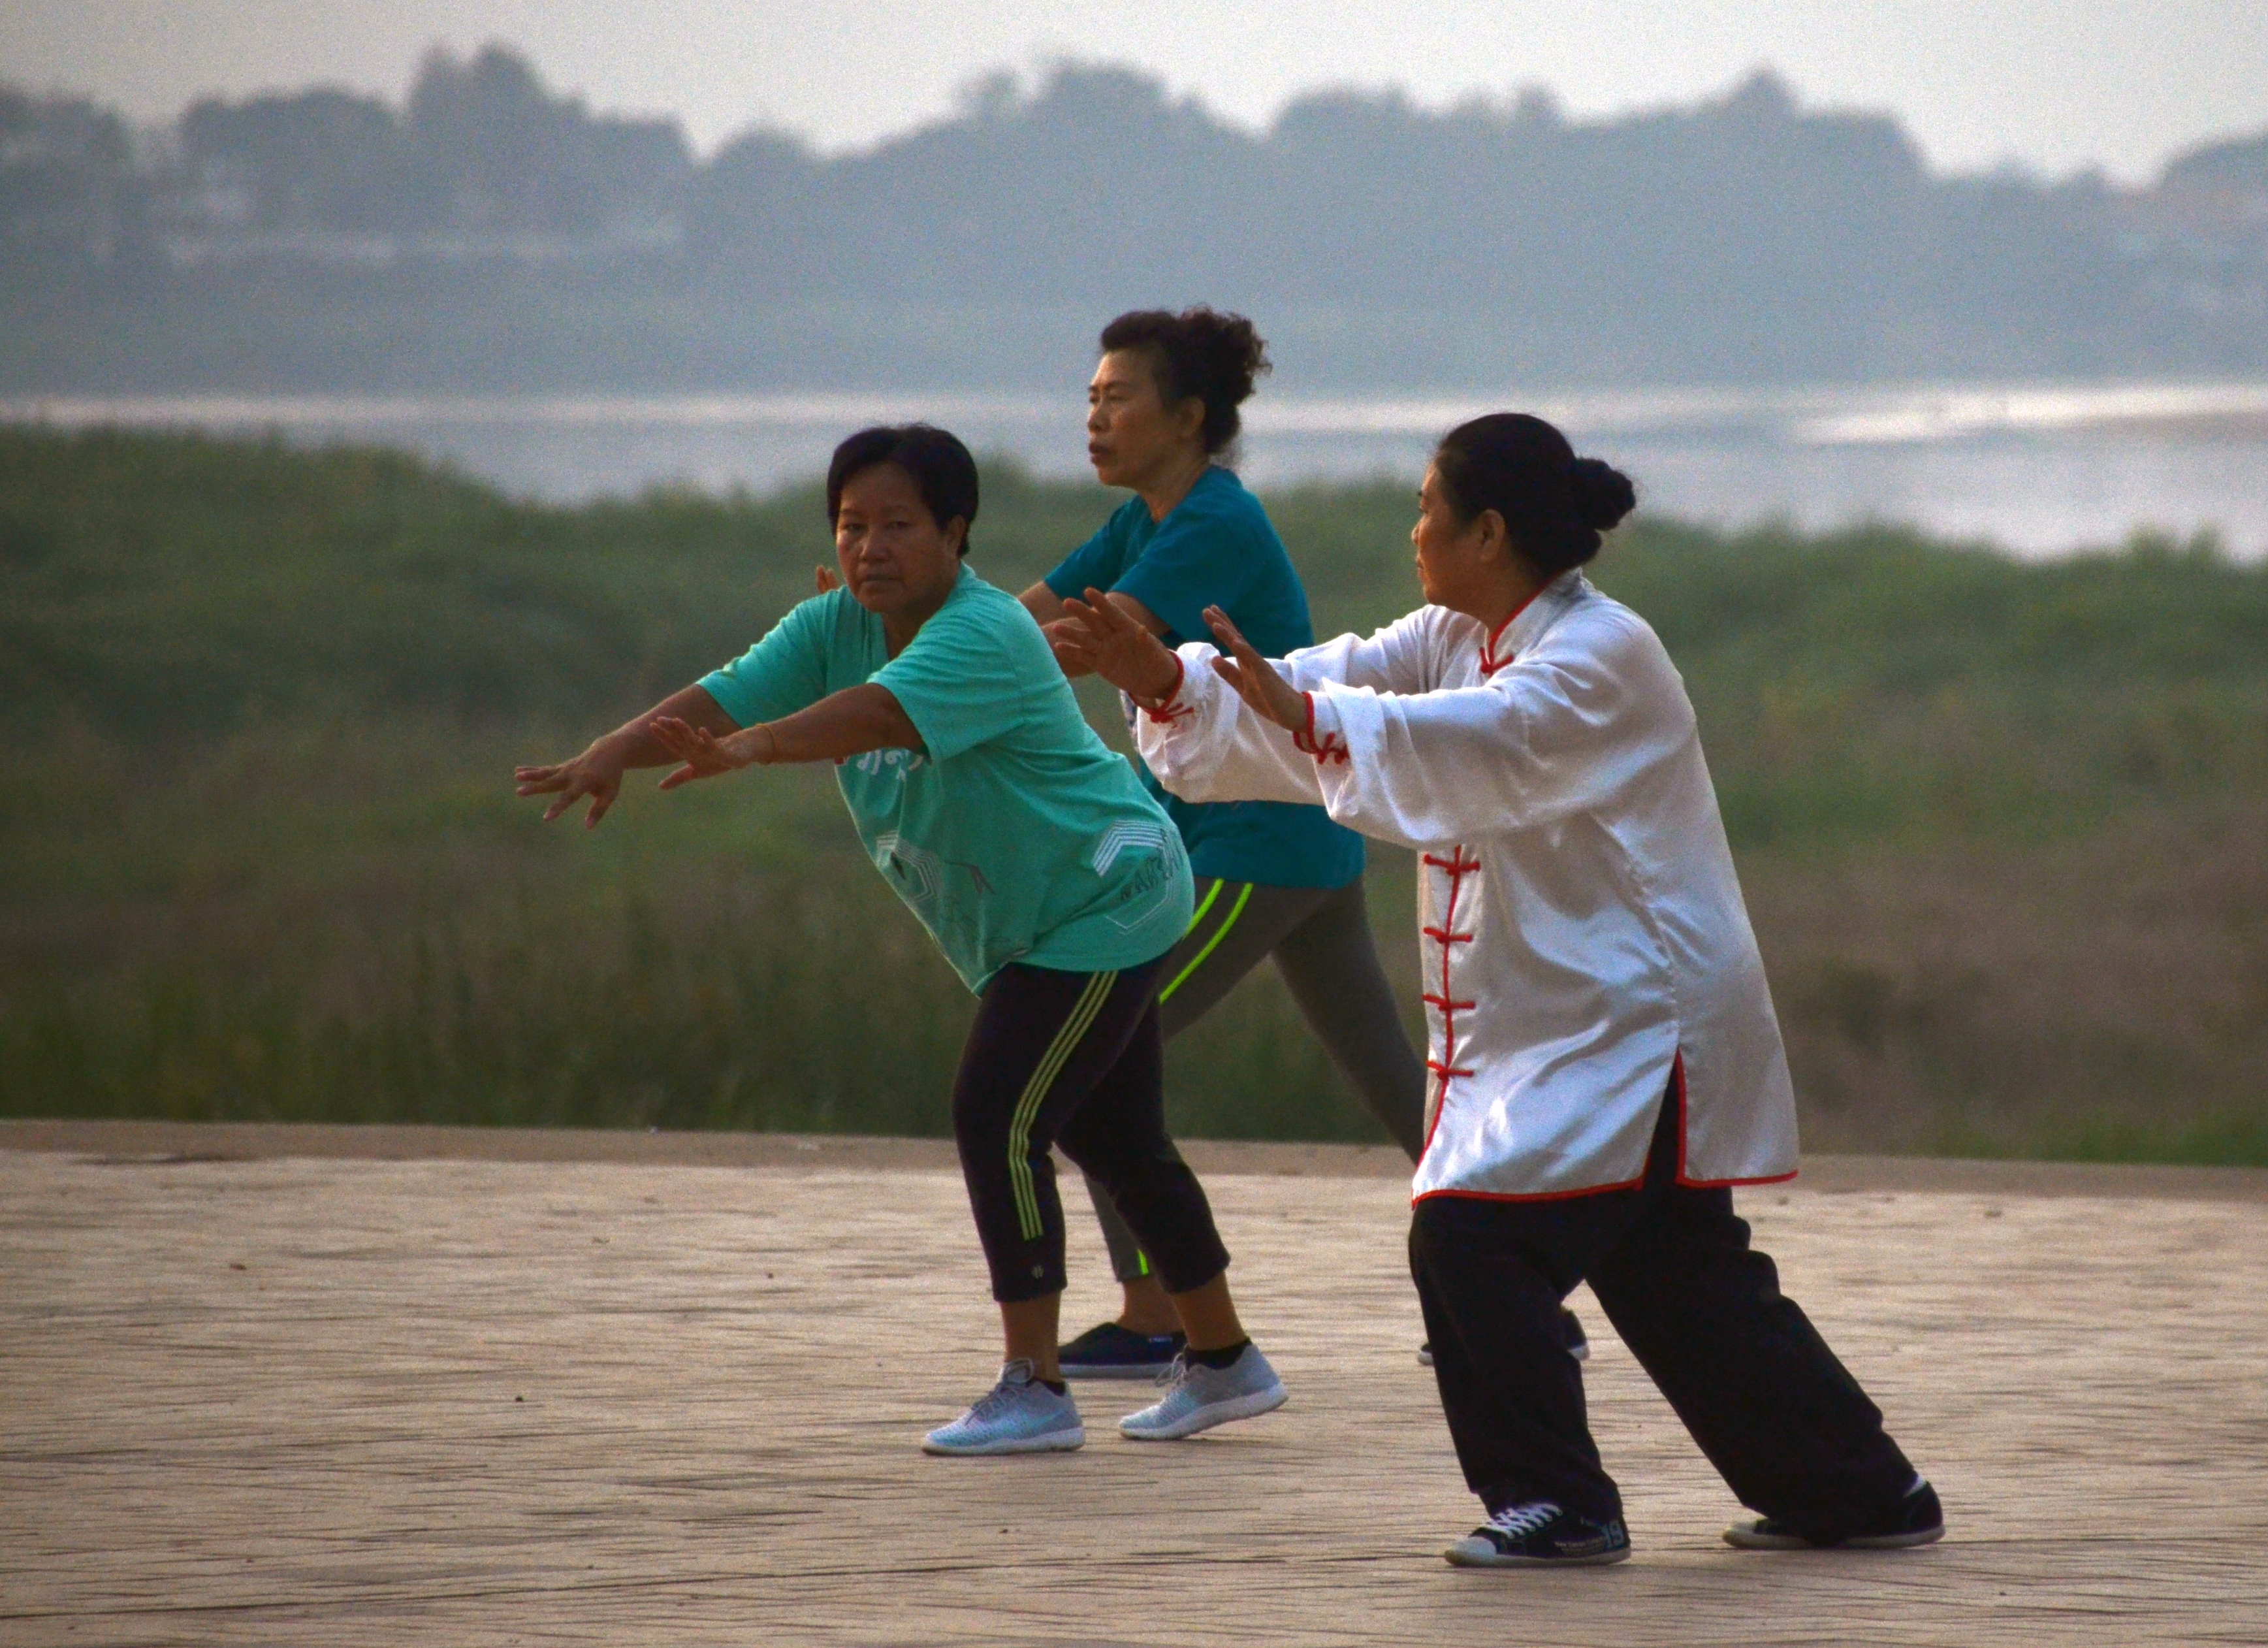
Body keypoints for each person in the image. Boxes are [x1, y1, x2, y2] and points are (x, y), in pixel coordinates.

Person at [1053, 412, 1940, 1565]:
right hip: (1573, 1018)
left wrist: (1303, 715)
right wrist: (1171, 679)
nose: (1413, 529)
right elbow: (1318, 687)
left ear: (1489, 530)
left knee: (1472, 1238)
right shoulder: (1451, 634)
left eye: (1430, 509)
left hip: (1640, 1016)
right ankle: (1863, 1494)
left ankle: (1560, 1506)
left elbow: (1468, 742)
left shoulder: (1601, 655)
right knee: (1679, 1273)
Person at [515, 423, 1288, 1455]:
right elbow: (731, 685)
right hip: (1041, 915)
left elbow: (879, 715)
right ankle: (1227, 1361)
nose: (872, 547)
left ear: (957, 534)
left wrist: (756, 750)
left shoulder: (984, 632)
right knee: (1114, 1137)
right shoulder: (835, 619)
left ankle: (1035, 1385)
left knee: (995, 1112)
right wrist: (611, 750)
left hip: (1103, 898)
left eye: (899, 525)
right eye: (853, 525)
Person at [1007, 308, 1593, 1376]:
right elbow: (1017, 621)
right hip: (1291, 840)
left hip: (1253, 845)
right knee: (1399, 1083)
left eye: (1117, 398)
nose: (1094, 418)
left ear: (1189, 418)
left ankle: (1156, 1316)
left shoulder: (1209, 522)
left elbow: (1072, 641)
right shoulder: (1144, 519)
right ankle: (1521, 1297)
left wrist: (922, 682)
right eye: (1089, 399)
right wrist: (893, 632)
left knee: (1091, 1052)